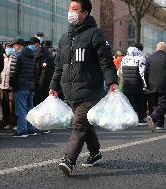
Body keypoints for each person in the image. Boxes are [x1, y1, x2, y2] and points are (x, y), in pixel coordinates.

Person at [49, 0, 118, 176]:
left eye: (74, 9)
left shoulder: (95, 35)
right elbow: (59, 66)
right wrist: (54, 86)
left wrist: (112, 81)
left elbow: (106, 61)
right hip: (70, 91)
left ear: (85, 13)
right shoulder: (64, 38)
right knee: (86, 124)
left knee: (79, 124)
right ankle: (95, 153)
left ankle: (69, 161)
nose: (70, 12)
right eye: (69, 9)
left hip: (90, 91)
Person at [145, 42, 166, 131]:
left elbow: (145, 72)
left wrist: (147, 84)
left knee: (155, 105)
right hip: (165, 84)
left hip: (151, 85)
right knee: (163, 104)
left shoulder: (149, 58)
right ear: (165, 49)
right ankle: (153, 118)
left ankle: (159, 124)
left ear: (156, 48)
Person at [9, 37, 40, 137]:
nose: (14, 48)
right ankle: (31, 129)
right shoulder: (32, 56)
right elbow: (36, 73)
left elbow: (13, 73)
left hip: (21, 86)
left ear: (18, 45)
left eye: (14, 45)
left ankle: (22, 130)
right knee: (29, 108)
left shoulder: (17, 56)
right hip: (31, 86)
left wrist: (12, 84)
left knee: (21, 109)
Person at [119, 46, 147, 124]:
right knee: (140, 102)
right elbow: (142, 73)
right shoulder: (140, 59)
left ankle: (129, 119)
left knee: (128, 102)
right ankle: (140, 119)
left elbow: (120, 72)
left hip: (127, 84)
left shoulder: (124, 59)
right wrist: (145, 84)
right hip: (137, 85)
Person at [33, 36, 55, 106]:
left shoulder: (44, 55)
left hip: (41, 86)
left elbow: (44, 72)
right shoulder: (46, 55)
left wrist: (39, 86)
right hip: (46, 85)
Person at [0, 43, 16, 130]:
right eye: (8, 47)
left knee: (12, 106)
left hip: (11, 86)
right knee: (4, 105)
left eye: (11, 47)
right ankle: (5, 122)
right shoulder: (2, 57)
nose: (9, 48)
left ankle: (12, 123)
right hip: (2, 85)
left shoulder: (15, 57)